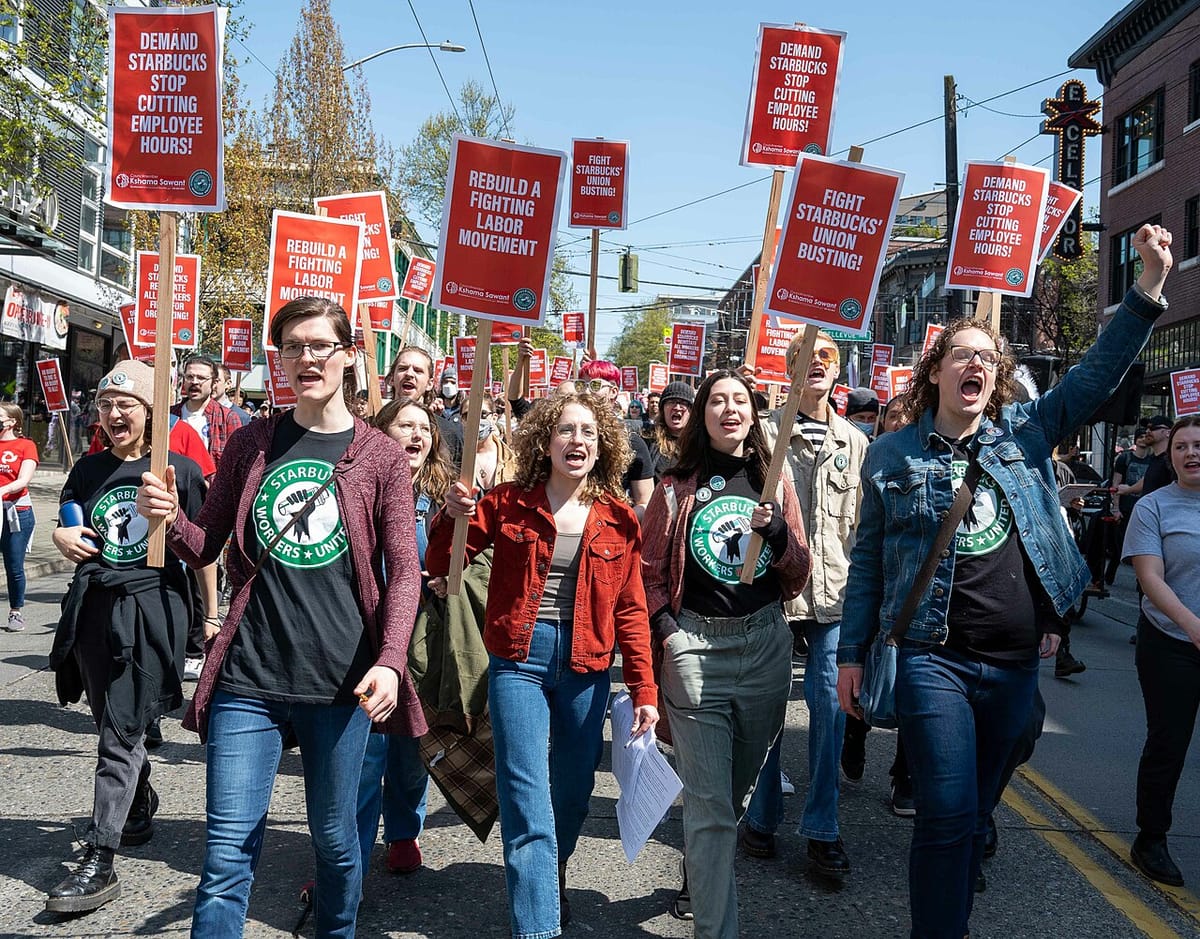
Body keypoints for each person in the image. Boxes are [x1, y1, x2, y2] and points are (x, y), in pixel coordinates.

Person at [837, 223, 1173, 939]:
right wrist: (849, 654)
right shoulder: (892, 454)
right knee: (947, 811)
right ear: (936, 372)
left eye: (988, 358)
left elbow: (1095, 375)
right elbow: (868, 560)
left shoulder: (1022, 433)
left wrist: (1146, 287)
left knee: (977, 811)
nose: (977, 365)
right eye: (963, 354)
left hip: (1015, 664)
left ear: (996, 376)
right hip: (934, 656)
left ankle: (957, 881)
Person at [136, 296, 424, 938]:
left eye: (320, 345)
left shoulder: (378, 454)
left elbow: (404, 570)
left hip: (341, 682)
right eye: (292, 346)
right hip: (248, 675)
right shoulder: (251, 443)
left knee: (335, 842)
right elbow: (206, 544)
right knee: (227, 851)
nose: (305, 358)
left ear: (349, 357)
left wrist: (390, 661)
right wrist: (168, 520)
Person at [426, 392, 658, 938]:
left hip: (588, 665)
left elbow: (632, 609)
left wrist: (644, 688)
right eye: (565, 431)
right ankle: (537, 927)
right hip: (518, 661)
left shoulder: (621, 519)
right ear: (545, 441)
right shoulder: (505, 503)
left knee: (573, 793)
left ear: (603, 447)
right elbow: (442, 562)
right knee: (525, 794)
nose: (576, 441)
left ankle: (548, 874)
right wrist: (450, 516)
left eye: (588, 433)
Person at [641, 369, 811, 937]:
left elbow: (798, 573)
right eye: (717, 400)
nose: (729, 409)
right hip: (696, 651)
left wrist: (781, 534)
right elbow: (648, 572)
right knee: (711, 809)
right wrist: (669, 632)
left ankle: (702, 866)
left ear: (755, 414)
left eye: (740, 400)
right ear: (701, 413)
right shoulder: (673, 485)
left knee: (730, 800)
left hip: (764, 649)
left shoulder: (775, 479)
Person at [46, 361, 207, 913]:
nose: (115, 414)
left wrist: (207, 619)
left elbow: (204, 549)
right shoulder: (87, 470)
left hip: (150, 609)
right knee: (111, 721)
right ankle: (136, 803)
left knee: (119, 736)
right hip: (93, 609)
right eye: (108, 405)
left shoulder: (179, 471)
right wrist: (62, 536)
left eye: (127, 405)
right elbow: (68, 522)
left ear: (150, 411)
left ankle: (99, 857)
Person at [741, 332, 868, 876]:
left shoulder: (854, 442)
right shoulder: (763, 435)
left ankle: (823, 826)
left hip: (834, 596)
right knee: (768, 708)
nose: (814, 366)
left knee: (830, 708)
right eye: (803, 359)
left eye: (825, 359)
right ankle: (763, 817)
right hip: (772, 591)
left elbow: (861, 527)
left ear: (837, 371)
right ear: (786, 367)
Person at [357, 397, 454, 876]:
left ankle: (402, 831)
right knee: (361, 748)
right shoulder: (359, 485)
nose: (417, 435)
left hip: (420, 634)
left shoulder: (443, 499)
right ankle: (347, 850)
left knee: (410, 745)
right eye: (405, 425)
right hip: (361, 630)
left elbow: (469, 559)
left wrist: (443, 575)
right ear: (382, 432)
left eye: (424, 427)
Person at [1122, 415, 1200, 888]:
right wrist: (1193, 627)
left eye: (1199, 445)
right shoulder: (1153, 507)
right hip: (1170, 643)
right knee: (1169, 743)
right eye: (1182, 447)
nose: (1192, 453)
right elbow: (1150, 579)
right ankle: (1151, 836)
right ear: (1170, 459)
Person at [1, 403, 38, 631]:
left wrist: (3, 491)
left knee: (14, 565)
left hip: (16, 513)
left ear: (12, 421)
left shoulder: (26, 446)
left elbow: (24, 479)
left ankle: (16, 612)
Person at [647, 381, 693, 481]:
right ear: (662, 409)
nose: (677, 407)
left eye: (683, 403)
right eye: (671, 402)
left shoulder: (701, 444)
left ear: (691, 411)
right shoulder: (648, 438)